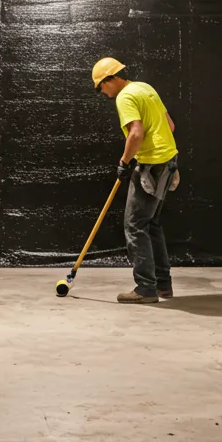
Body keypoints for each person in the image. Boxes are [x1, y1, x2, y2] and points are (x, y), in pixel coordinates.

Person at [91, 57, 179, 304]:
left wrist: (124, 162)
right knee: (151, 225)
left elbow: (136, 133)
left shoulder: (125, 97)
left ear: (111, 79)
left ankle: (145, 288)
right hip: (168, 161)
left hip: (151, 166)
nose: (103, 93)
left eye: (101, 87)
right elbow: (170, 125)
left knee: (135, 226)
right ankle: (163, 285)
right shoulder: (145, 88)